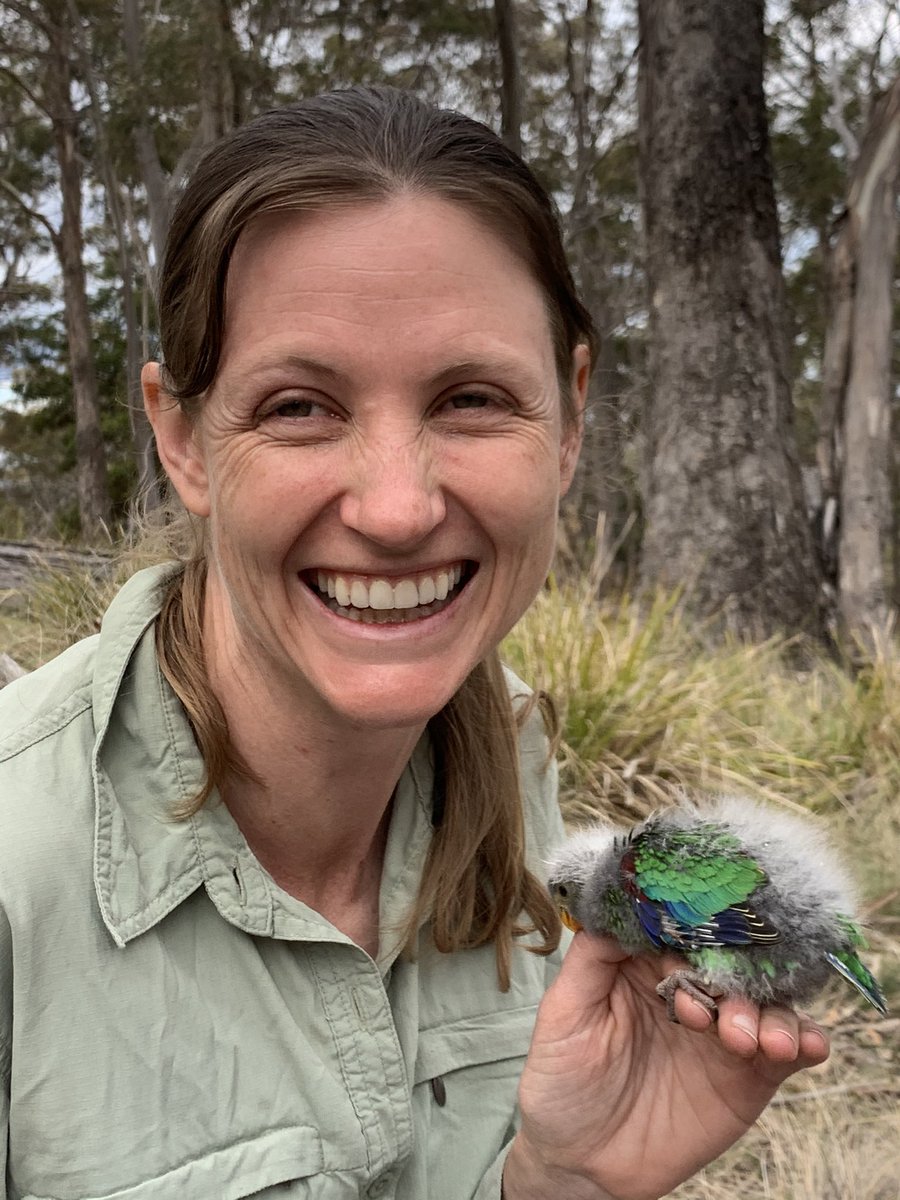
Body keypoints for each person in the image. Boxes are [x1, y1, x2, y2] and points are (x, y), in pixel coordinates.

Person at [0, 86, 828, 1200]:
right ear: (184, 440)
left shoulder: (512, 753)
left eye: (472, 398)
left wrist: (559, 1179)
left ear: (572, 417)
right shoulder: (21, 878)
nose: (396, 509)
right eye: (299, 407)